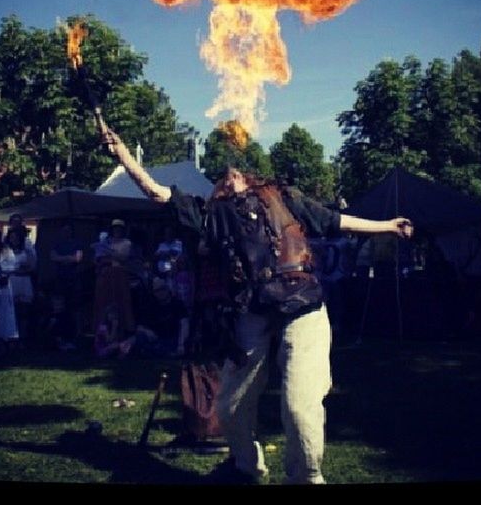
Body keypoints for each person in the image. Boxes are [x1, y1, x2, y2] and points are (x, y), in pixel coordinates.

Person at [102, 127, 413, 485]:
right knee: (230, 406)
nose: (230, 176)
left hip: (304, 309)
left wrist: (387, 226)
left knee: (299, 406)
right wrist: (124, 154)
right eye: (223, 176)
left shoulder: (283, 197)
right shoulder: (211, 214)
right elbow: (158, 194)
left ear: (252, 178)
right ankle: (245, 465)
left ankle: (306, 477)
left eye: (237, 173)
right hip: (253, 312)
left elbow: (334, 221)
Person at [91, 219, 136, 340]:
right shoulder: (106, 241)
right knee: (103, 302)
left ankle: (123, 329)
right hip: (105, 275)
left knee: (120, 301)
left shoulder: (126, 243)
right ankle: (101, 330)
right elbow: (97, 258)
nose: (117, 231)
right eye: (115, 228)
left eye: (119, 229)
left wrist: (107, 252)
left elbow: (123, 257)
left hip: (119, 275)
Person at [133, 276, 190, 357]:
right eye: (157, 291)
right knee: (140, 338)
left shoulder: (177, 304)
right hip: (157, 340)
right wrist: (148, 332)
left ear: (167, 289)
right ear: (154, 293)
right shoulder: (151, 306)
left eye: (162, 289)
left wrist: (181, 344)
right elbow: (139, 327)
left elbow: (184, 324)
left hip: (174, 339)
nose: (160, 292)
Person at [50, 222, 84, 345]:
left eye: (68, 230)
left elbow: (78, 258)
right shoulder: (57, 244)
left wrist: (63, 258)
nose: (66, 233)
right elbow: (53, 257)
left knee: (75, 306)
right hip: (60, 278)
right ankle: (60, 332)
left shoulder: (77, 243)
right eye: (64, 230)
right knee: (60, 305)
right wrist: (70, 258)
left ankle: (77, 333)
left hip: (74, 278)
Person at [6, 226, 37, 343]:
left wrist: (22, 270)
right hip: (12, 282)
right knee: (13, 311)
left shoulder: (27, 251)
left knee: (24, 310)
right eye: (12, 237)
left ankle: (24, 337)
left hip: (24, 281)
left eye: (16, 237)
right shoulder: (6, 251)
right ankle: (14, 336)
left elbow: (32, 267)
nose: (14, 239)